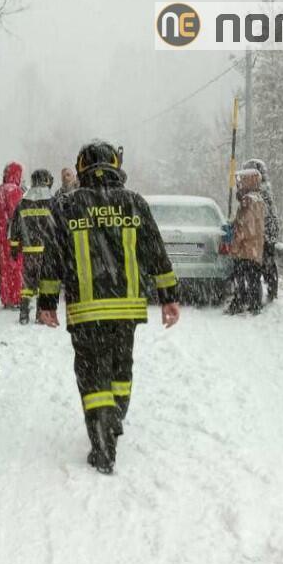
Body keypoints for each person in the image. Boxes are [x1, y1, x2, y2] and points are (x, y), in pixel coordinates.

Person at [37, 141, 181, 474]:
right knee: (121, 371)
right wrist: (169, 296)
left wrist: (46, 303)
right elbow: (156, 252)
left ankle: (102, 444)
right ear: (116, 166)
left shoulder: (67, 206)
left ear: (82, 167)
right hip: (126, 310)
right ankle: (114, 419)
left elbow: (52, 259)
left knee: (92, 376)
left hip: (86, 312)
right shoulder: (134, 203)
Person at [9, 169, 56, 324]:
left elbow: (14, 227)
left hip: (29, 251)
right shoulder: (52, 201)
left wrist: (15, 247)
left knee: (27, 283)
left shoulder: (22, 203)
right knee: (44, 283)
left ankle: (23, 313)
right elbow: (58, 227)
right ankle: (40, 314)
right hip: (47, 251)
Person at [226, 168, 266, 315]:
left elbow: (244, 227)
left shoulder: (248, 201)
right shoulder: (259, 199)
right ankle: (254, 304)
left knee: (240, 277)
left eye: (241, 181)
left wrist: (234, 245)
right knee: (254, 278)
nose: (239, 185)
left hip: (246, 249)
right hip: (255, 248)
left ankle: (240, 302)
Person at [242, 158, 280, 302]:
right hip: (268, 233)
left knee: (256, 267)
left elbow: (254, 214)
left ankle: (256, 299)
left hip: (262, 234)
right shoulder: (265, 189)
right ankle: (271, 292)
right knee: (268, 264)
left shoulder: (259, 191)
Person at [0, 162, 26, 308]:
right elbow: (15, 214)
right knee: (16, 266)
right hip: (12, 236)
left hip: (0, 235)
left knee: (4, 267)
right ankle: (15, 297)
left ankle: (6, 297)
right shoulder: (14, 190)